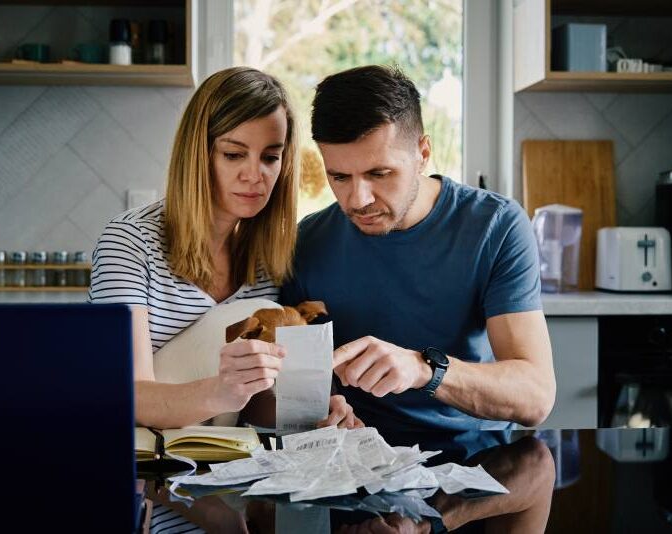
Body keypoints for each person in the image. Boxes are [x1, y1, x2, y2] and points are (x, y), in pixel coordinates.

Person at [281, 65, 556, 439]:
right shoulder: (306, 242)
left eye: (379, 173)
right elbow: (296, 386)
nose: (358, 200)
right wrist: (322, 407)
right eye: (340, 177)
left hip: (478, 459)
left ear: (423, 153)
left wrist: (425, 370)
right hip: (356, 462)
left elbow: (536, 398)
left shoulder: (496, 226)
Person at [89, 66, 360, 434]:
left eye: (270, 157)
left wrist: (313, 412)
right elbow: (123, 396)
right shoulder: (129, 242)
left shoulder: (268, 259)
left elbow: (251, 404)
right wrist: (219, 392)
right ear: (199, 154)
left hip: (221, 458)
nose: (255, 174)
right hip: (141, 459)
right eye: (234, 154)